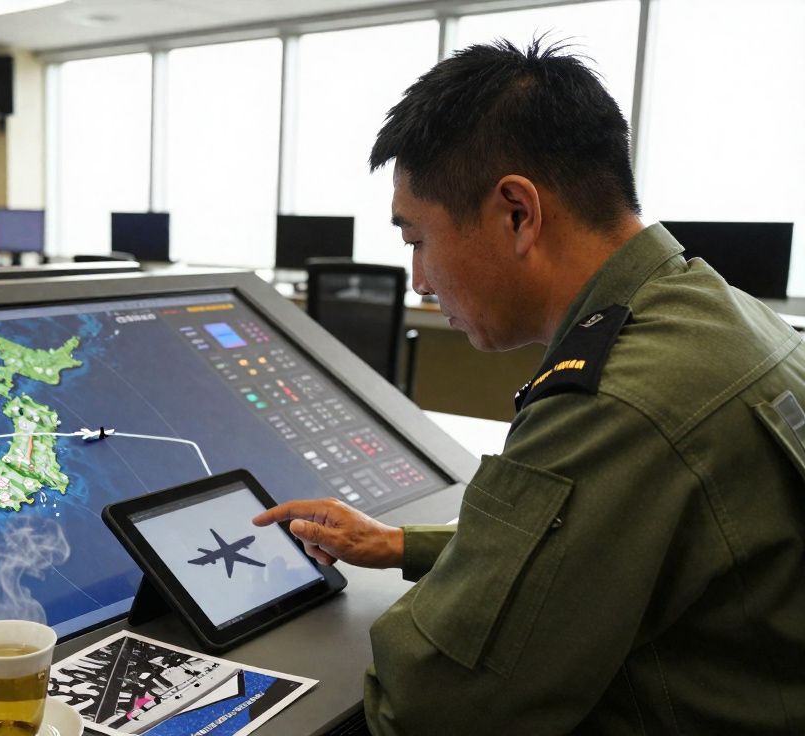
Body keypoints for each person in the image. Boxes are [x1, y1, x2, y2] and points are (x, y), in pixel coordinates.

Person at [254, 38, 805, 734]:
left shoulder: (616, 402)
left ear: (517, 212)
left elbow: (433, 709)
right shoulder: (717, 311)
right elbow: (614, 552)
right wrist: (402, 545)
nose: (419, 279)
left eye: (417, 239)